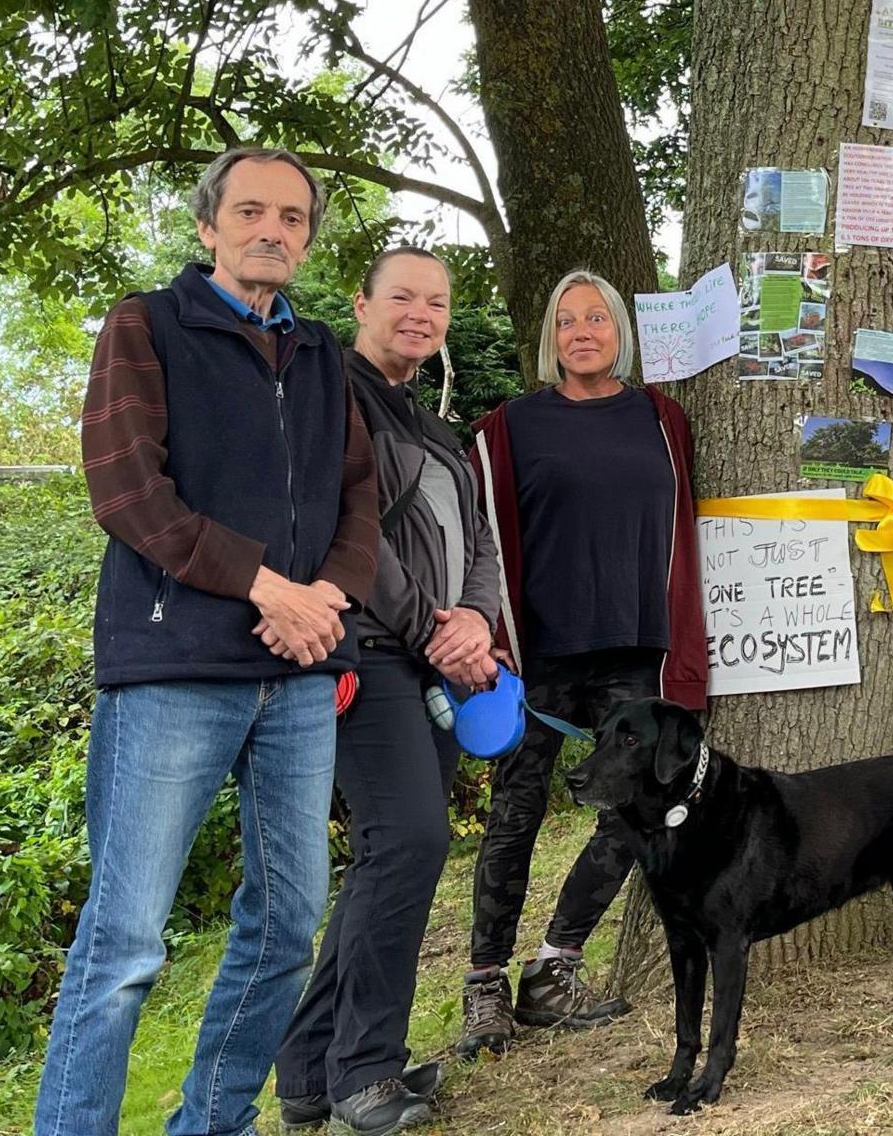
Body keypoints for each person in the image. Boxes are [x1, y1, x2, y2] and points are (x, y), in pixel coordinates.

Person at [36, 147, 379, 1136]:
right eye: (251, 212)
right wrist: (266, 583)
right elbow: (127, 490)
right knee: (127, 939)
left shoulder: (322, 354)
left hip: (300, 675)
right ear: (208, 227)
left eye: (293, 217)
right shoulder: (145, 326)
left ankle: (213, 1122)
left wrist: (323, 596)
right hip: (173, 671)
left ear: (308, 237)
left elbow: (361, 497)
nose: (273, 229)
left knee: (284, 928)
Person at [272, 247, 499, 1133]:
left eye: (436, 302)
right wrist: (434, 633)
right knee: (408, 841)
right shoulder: (333, 397)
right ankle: (365, 1072)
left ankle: (306, 1071)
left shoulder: (436, 424)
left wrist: (476, 621)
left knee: (389, 854)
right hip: (368, 652)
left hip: (435, 657)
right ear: (361, 303)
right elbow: (349, 531)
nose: (421, 313)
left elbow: (477, 537)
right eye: (401, 296)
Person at [457, 269, 708, 1057]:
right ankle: (485, 983)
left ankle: (554, 965)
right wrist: (485, 629)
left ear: (620, 331)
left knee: (636, 812)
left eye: (596, 317)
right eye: (566, 321)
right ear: (550, 338)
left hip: (634, 651)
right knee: (515, 815)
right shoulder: (510, 427)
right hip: (535, 656)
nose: (582, 332)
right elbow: (478, 536)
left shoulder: (662, 419)